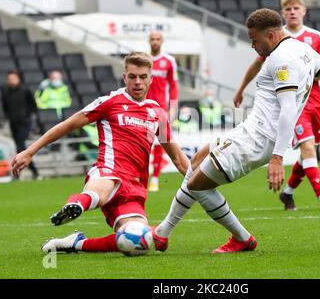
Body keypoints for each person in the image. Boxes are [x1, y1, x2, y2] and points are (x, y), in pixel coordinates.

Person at [151, 8, 320, 254]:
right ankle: (163, 233)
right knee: (198, 158)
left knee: (198, 185)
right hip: (249, 129)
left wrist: (277, 158)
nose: (253, 46)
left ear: (271, 34)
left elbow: (288, 109)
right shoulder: (301, 49)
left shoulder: (281, 60)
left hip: (257, 140)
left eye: (254, 40)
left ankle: (242, 239)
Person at [11, 52, 189, 254]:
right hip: (108, 171)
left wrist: (199, 181)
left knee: (140, 242)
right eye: (132, 77)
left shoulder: (158, 114)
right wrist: (30, 151)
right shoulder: (109, 102)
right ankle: (76, 204)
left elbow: (177, 158)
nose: (137, 82)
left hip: (134, 188)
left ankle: (75, 243)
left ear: (151, 79)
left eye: (142, 77)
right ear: (124, 77)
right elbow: (68, 125)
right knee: (98, 192)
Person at [234, 0, 320, 212]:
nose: (292, 12)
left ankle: (288, 193)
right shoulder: (273, 38)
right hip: (292, 101)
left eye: (296, 8)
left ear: (303, 11)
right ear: (283, 13)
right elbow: (257, 64)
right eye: (288, 9)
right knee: (308, 148)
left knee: (308, 152)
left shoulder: (315, 37)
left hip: (315, 100)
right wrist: (242, 88)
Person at [146, 31, 179, 192]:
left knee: (160, 142)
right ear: (149, 41)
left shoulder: (169, 61)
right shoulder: (143, 60)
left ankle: (156, 178)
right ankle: (142, 175)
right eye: (152, 39)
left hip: (160, 108)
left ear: (162, 41)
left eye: (158, 39)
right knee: (143, 142)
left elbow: (173, 86)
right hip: (143, 107)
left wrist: (172, 108)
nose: (155, 42)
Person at [1, 71, 41, 180]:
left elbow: (33, 105)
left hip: (25, 122)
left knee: (20, 146)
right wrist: (9, 116)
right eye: (9, 79)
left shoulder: (25, 90)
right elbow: (5, 107)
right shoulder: (5, 92)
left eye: (13, 78)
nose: (11, 81)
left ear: (18, 79)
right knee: (20, 148)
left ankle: (28, 172)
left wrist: (30, 117)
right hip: (13, 123)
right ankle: (32, 172)